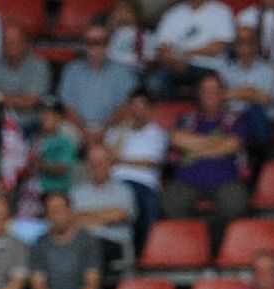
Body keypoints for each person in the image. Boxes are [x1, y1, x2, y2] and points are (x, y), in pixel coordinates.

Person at [161, 71, 250, 253]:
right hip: (187, 181)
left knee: (236, 202)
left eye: (215, 90)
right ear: (199, 94)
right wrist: (215, 143)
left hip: (226, 181)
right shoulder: (187, 118)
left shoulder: (236, 119)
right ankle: (191, 250)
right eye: (206, 90)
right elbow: (176, 139)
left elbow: (231, 146)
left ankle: (217, 250)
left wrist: (194, 145)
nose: (210, 94)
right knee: (170, 201)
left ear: (223, 93)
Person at [18, 191, 108, 289]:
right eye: (51, 211)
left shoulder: (88, 242)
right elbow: (37, 281)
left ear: (70, 211)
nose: (55, 215)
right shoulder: (40, 243)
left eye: (59, 210)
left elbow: (92, 282)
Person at [105, 89, 168, 256]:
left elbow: (149, 163)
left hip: (144, 183)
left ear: (149, 109)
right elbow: (109, 158)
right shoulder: (116, 132)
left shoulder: (157, 133)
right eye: (133, 107)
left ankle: (145, 255)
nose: (137, 111)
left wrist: (121, 160)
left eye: (141, 107)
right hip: (117, 182)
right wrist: (124, 130)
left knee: (146, 207)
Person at [58, 22, 136, 145]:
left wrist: (103, 131)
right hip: (79, 127)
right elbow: (68, 108)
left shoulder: (123, 72)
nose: (95, 47)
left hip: (111, 127)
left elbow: (125, 108)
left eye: (100, 42)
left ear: (108, 44)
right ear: (85, 45)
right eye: (90, 42)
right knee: (62, 130)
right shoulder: (72, 69)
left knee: (126, 130)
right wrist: (85, 132)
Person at [70, 141, 136, 274]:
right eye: (93, 162)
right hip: (81, 243)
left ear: (110, 163)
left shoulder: (124, 190)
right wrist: (105, 216)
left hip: (113, 243)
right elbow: (72, 220)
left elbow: (118, 216)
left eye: (102, 161)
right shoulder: (77, 192)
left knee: (92, 251)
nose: (97, 166)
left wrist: (86, 216)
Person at [152, 0, 236, 98]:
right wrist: (174, 62)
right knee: (154, 83)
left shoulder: (220, 11)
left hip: (208, 67)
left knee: (208, 86)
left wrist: (183, 54)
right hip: (175, 67)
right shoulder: (174, 14)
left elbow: (218, 48)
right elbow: (162, 48)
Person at [0, 22, 51, 138]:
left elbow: (30, 102)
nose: (11, 45)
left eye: (15, 41)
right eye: (7, 42)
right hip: (0, 124)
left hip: (32, 124)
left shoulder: (39, 66)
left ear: (26, 42)